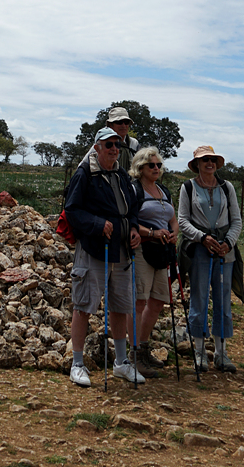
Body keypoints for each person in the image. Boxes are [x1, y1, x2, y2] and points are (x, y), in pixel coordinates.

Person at [64, 127, 144, 387]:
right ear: (96, 147)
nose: (114, 149)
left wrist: (132, 228)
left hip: (121, 250)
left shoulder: (121, 175)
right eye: (108, 145)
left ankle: (121, 363)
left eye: (117, 145)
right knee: (84, 305)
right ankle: (77, 364)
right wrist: (98, 224)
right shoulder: (84, 174)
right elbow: (72, 211)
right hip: (94, 250)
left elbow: (132, 209)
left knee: (121, 305)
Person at [177, 144, 242, 372]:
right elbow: (183, 221)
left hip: (226, 252)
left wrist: (228, 243)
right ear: (196, 164)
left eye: (212, 160)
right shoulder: (188, 187)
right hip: (200, 251)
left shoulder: (227, 187)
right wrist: (202, 237)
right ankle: (199, 352)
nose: (209, 163)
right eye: (205, 160)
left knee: (223, 301)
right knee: (199, 299)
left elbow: (237, 221)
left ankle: (222, 354)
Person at [129, 145, 179, 379]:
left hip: (162, 251)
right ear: (140, 167)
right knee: (139, 301)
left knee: (158, 300)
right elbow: (129, 222)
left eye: (159, 164)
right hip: (141, 250)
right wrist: (152, 233)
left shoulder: (163, 191)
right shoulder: (134, 191)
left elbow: (173, 218)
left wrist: (173, 233)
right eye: (152, 165)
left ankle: (144, 348)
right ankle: (134, 353)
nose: (157, 168)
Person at [105, 106, 139, 172]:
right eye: (119, 122)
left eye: (126, 122)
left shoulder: (134, 143)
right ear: (111, 125)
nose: (123, 125)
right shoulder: (103, 143)